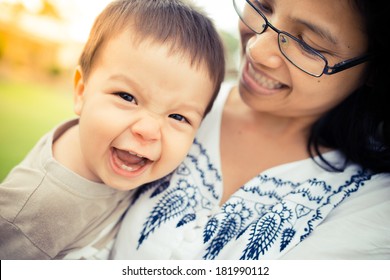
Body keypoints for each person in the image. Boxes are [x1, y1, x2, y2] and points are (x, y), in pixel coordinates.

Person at [111, 0, 390, 260]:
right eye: (262, 6)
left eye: (308, 45)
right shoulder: (159, 111)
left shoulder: (374, 204)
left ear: (374, 71)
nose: (257, 49)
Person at [0, 0, 225, 260]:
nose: (149, 130)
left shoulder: (119, 154)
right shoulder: (31, 213)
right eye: (127, 97)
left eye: (178, 116)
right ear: (82, 91)